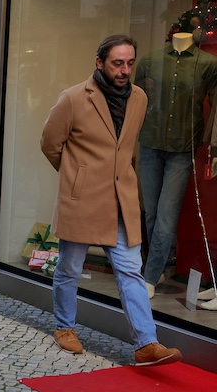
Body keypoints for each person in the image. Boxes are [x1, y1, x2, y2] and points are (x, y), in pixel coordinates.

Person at [40, 34, 182, 366]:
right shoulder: (73, 98)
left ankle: (146, 342)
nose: (124, 70)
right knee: (70, 267)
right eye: (117, 63)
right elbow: (50, 143)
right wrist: (78, 177)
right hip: (84, 200)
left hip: (122, 200)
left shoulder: (140, 99)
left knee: (131, 271)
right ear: (100, 62)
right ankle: (64, 326)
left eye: (130, 63)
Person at [134, 31, 217, 297]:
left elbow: (216, 105)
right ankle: (158, 266)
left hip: (183, 148)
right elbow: (136, 101)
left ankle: (150, 274)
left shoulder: (207, 63)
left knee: (167, 213)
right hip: (149, 142)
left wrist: (212, 144)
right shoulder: (150, 62)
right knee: (150, 212)